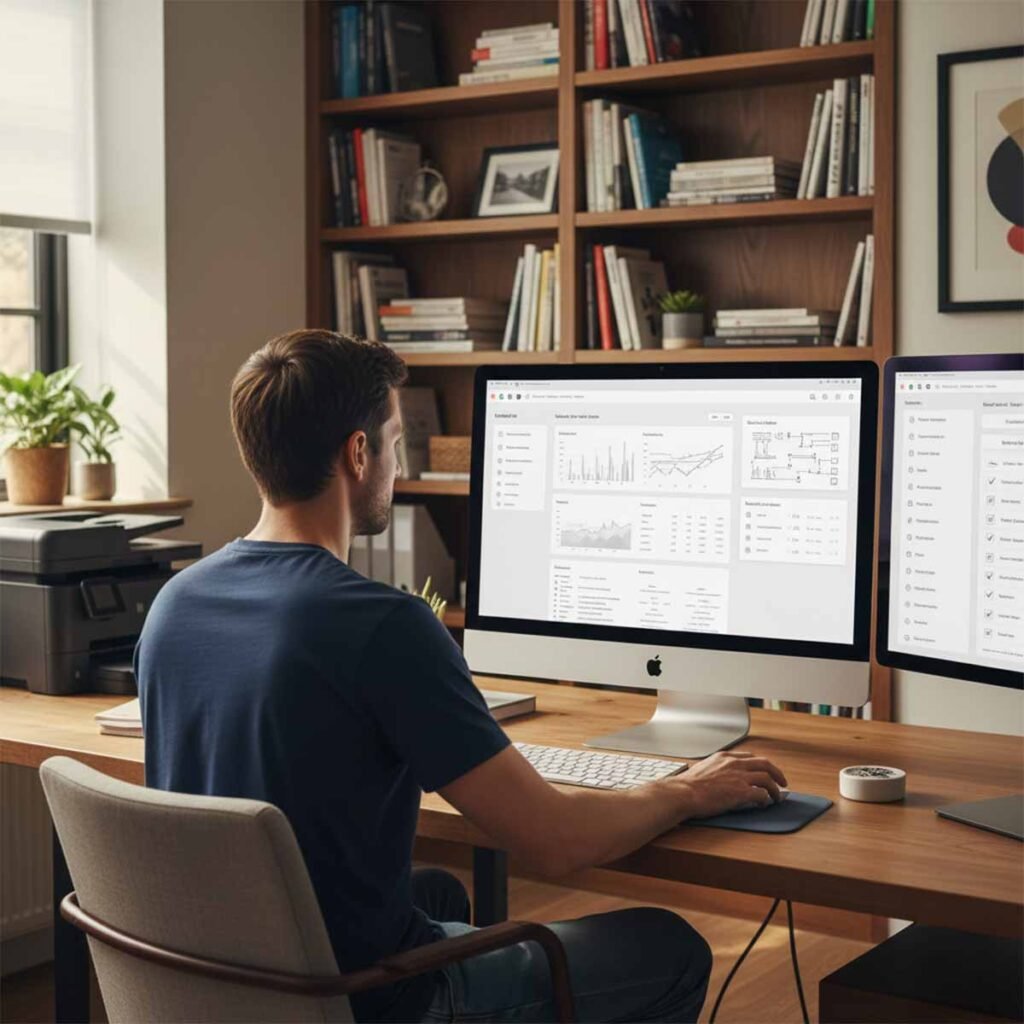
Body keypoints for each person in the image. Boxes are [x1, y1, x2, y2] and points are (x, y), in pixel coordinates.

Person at [136, 329, 788, 1024]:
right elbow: (556, 841)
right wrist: (683, 791)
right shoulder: (382, 626)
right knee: (670, 947)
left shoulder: (175, 604)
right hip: (363, 999)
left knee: (438, 893)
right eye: (394, 440)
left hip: (227, 982)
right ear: (357, 453)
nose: (396, 462)